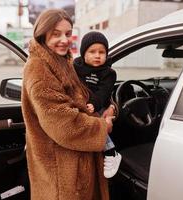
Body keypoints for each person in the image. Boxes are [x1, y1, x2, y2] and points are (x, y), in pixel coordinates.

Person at [21, 9, 114, 200]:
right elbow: (64, 124)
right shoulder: (39, 70)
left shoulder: (62, 62)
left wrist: (111, 107)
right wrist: (102, 126)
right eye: (56, 34)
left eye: (68, 34)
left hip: (73, 163)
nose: (64, 39)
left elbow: (87, 96)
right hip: (62, 171)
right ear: (42, 33)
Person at [74, 31, 122, 179]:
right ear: (83, 53)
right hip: (82, 105)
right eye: (92, 51)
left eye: (102, 52)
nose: (97, 55)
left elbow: (104, 92)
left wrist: (94, 104)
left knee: (97, 122)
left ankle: (111, 152)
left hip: (99, 104)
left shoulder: (108, 73)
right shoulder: (75, 68)